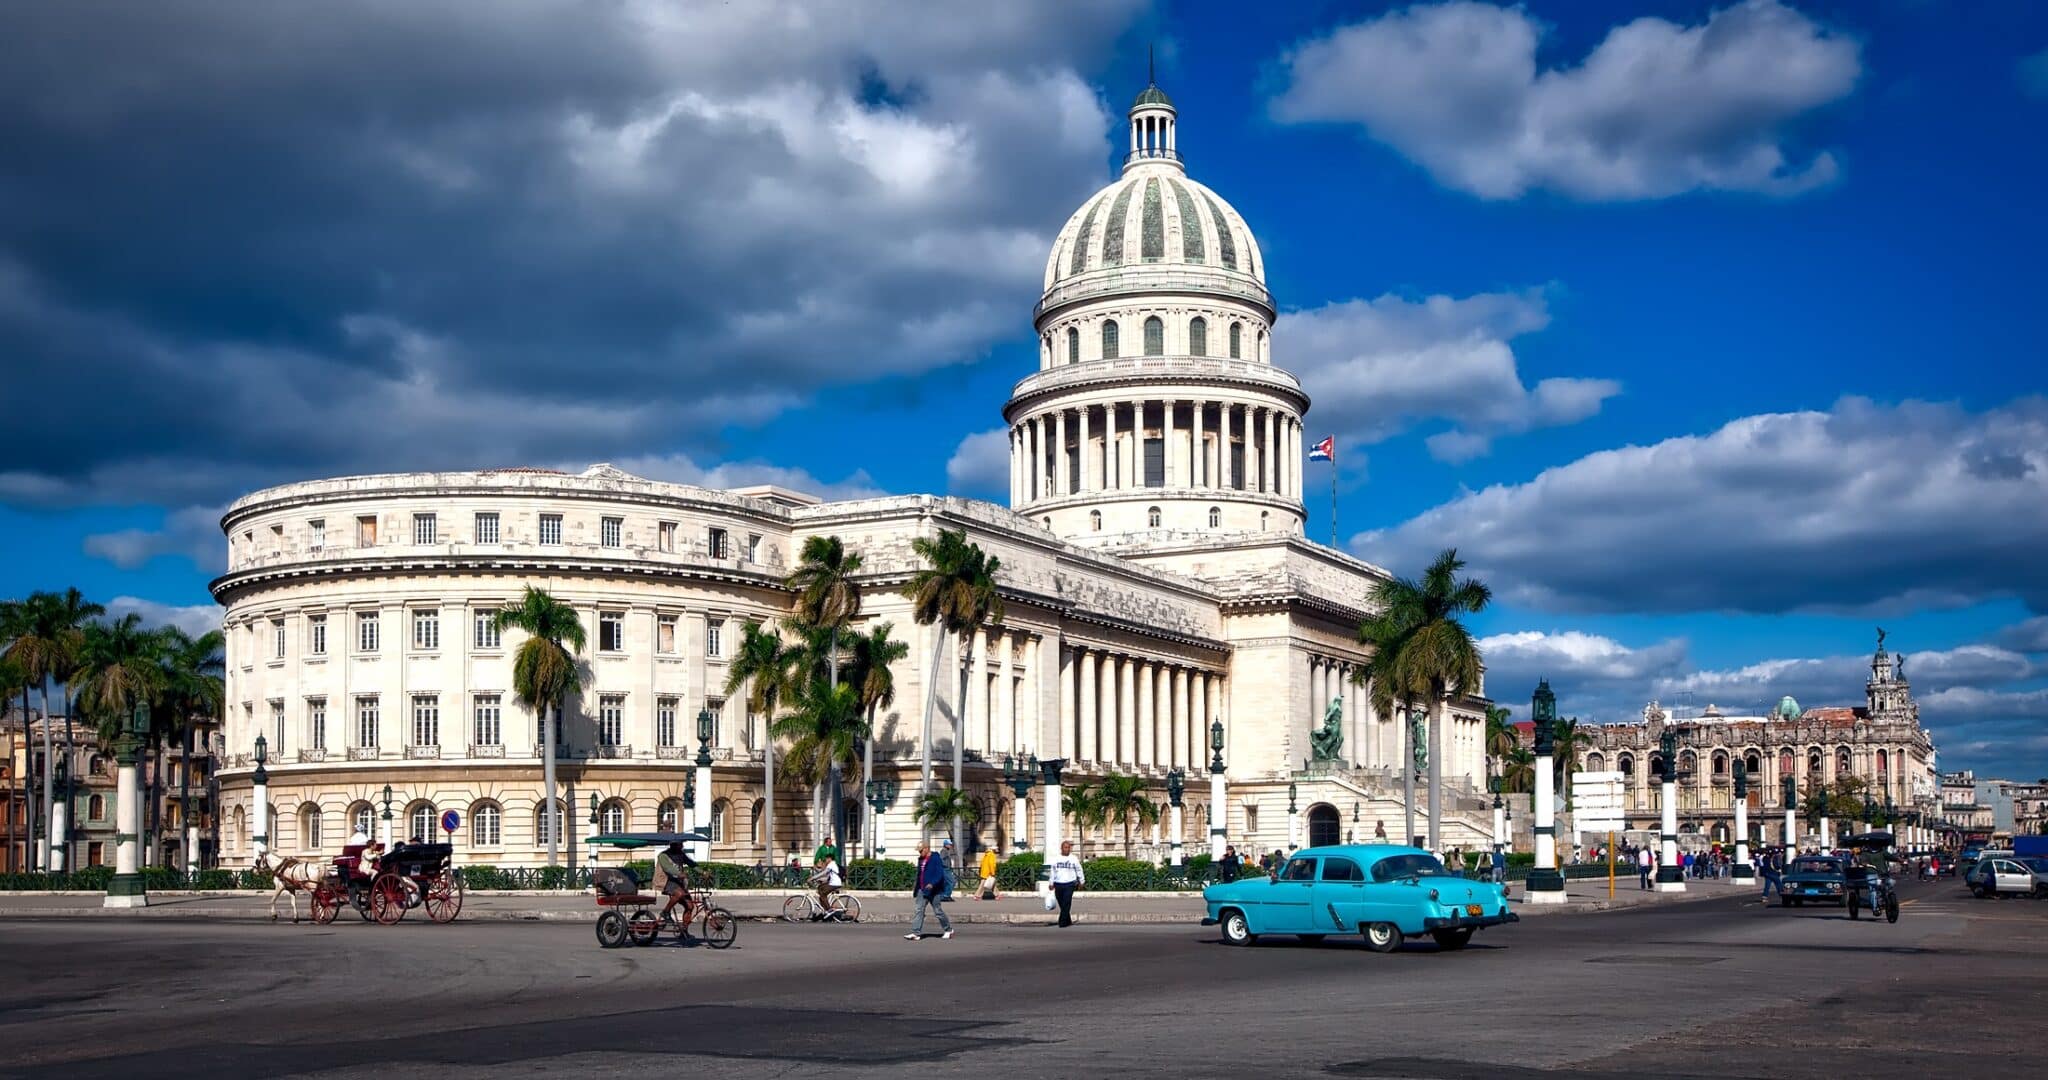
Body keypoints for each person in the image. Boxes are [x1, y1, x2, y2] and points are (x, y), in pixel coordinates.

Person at [905, 841, 953, 940]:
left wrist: (933, 883)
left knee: (938, 911)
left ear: (927, 848)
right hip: (922, 889)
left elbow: (939, 873)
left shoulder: (935, 858)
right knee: (919, 910)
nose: (920, 853)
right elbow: (920, 873)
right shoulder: (921, 859)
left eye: (921, 850)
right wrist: (916, 885)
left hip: (934, 890)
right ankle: (916, 933)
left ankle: (948, 929)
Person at [657, 840, 698, 927]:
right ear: (673, 845)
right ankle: (666, 912)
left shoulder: (681, 854)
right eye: (680, 844)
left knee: (690, 906)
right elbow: (668, 868)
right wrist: (679, 874)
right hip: (667, 882)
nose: (682, 846)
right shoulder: (663, 855)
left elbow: (691, 863)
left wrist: (703, 872)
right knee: (680, 894)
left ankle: (684, 931)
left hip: (679, 883)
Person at [1047, 839, 1085, 927]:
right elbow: (1053, 871)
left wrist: (1082, 881)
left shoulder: (1073, 858)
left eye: (1068, 848)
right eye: (1065, 847)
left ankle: (1062, 922)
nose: (1067, 849)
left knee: (1067, 902)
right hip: (1058, 883)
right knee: (1062, 903)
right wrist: (1051, 883)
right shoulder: (1056, 859)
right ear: (1061, 848)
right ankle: (1068, 920)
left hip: (1070, 883)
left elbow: (1079, 870)